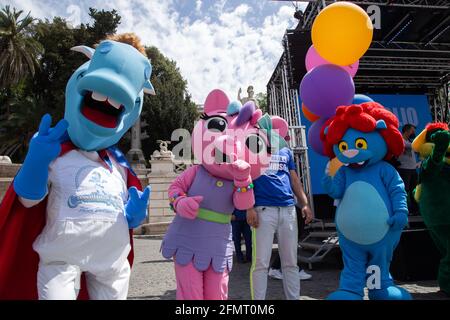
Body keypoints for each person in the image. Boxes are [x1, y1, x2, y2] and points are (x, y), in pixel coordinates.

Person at [0, 33, 153, 300]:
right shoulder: (56, 151)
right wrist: (36, 163)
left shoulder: (118, 165)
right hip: (61, 260)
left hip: (111, 262)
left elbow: (128, 214)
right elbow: (26, 201)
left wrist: (134, 215)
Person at [247, 146, 314, 300]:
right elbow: (246, 178)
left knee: (291, 262)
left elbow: (294, 179)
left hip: (288, 208)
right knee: (260, 263)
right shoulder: (252, 147)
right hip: (263, 210)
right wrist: (248, 207)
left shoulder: (286, 150)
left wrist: (304, 204)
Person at [268, 205, 312, 280]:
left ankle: (277, 268)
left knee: (291, 242)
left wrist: (304, 204)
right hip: (286, 206)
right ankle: (283, 269)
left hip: (292, 205)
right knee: (290, 242)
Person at [397, 124, 419, 214]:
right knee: (404, 190)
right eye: (412, 131)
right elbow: (413, 146)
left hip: (412, 169)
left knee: (414, 190)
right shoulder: (400, 140)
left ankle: (414, 210)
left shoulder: (409, 141)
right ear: (407, 131)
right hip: (404, 169)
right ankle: (403, 210)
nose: (413, 133)